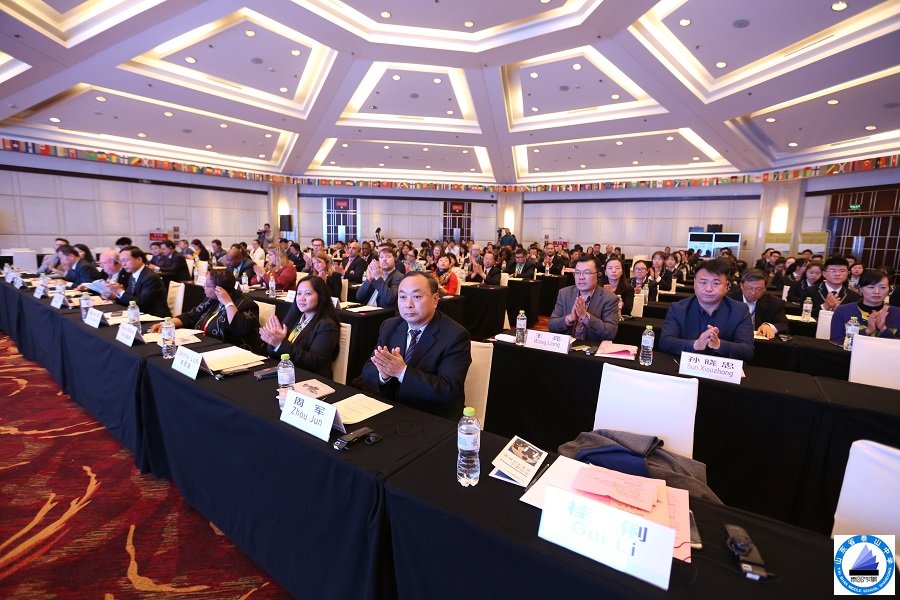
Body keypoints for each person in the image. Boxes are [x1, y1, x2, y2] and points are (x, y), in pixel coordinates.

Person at [361, 272, 471, 418]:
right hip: (391, 409)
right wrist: (384, 375)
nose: (408, 304)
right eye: (402, 297)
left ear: (435, 300)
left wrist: (402, 372)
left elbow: (448, 390)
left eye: (417, 297)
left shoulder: (455, 335)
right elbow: (368, 369)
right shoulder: (389, 326)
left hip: (432, 417)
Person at [659, 258, 754, 360]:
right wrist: (695, 344)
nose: (708, 289)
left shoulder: (740, 311)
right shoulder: (678, 309)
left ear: (726, 286)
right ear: (694, 283)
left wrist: (719, 345)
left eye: (716, 283)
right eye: (703, 282)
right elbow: (665, 342)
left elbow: (747, 350)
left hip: (722, 368)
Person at [150, 269, 260, 351]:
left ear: (219, 289)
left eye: (207, 285)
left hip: (228, 352)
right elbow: (190, 316)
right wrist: (167, 324)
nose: (204, 287)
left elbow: (239, 329)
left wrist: (228, 303)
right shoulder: (211, 300)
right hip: (202, 347)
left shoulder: (246, 305)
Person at [259, 276, 340, 378]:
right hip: (289, 373)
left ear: (321, 296)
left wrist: (281, 344)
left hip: (311, 379)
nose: (302, 298)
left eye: (308, 294)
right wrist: (274, 343)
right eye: (299, 293)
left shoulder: (327, 326)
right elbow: (273, 352)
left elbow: (314, 362)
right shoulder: (295, 318)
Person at [548, 255, 619, 342]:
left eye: (586, 273)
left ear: (598, 275)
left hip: (591, 348)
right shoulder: (564, 293)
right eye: (577, 273)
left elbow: (610, 333)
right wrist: (569, 318)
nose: (581, 277)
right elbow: (552, 325)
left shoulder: (609, 299)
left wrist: (585, 317)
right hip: (565, 346)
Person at [830, 269, 899, 342]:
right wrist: (868, 330)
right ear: (860, 289)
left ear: (889, 290)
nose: (877, 291)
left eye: (883, 287)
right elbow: (836, 340)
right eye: (871, 287)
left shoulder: (897, 313)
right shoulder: (843, 311)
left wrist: (883, 328)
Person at [108, 246, 170, 317]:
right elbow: (131, 298)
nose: (123, 264)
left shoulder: (150, 277)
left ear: (139, 259)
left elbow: (142, 303)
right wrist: (116, 294)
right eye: (121, 261)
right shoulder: (133, 275)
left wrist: (120, 291)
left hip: (155, 317)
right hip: (139, 314)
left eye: (125, 260)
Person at [727, 270, 789, 339]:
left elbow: (783, 325)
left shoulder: (774, 302)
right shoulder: (728, 300)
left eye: (758, 289)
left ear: (765, 289)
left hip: (760, 341)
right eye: (749, 288)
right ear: (741, 286)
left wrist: (769, 326)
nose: (753, 293)